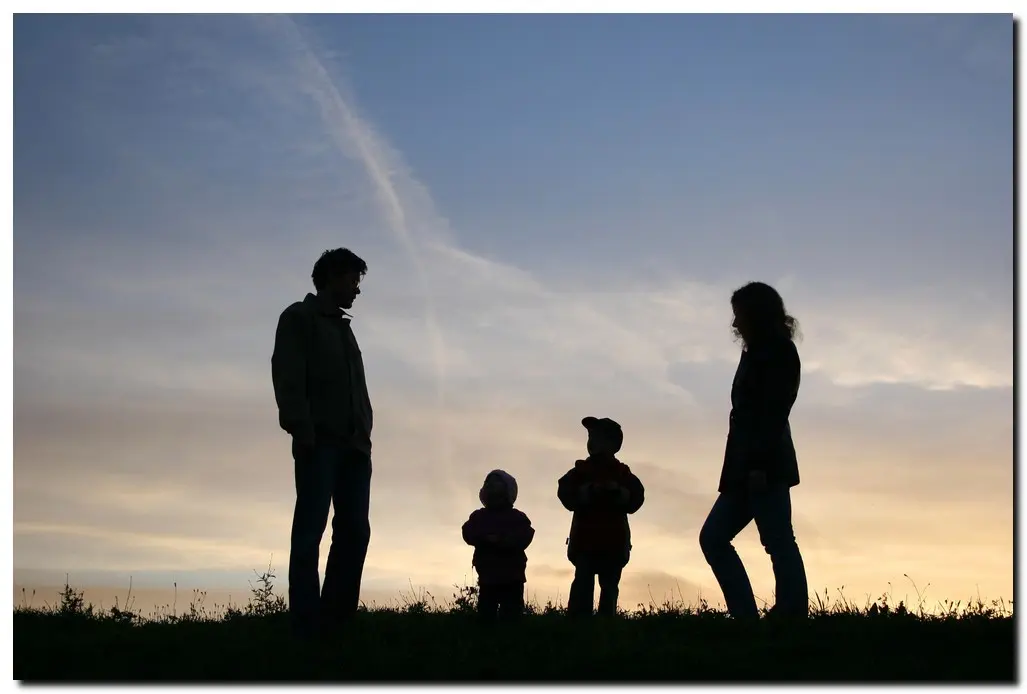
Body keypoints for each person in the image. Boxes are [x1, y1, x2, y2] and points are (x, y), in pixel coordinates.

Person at [271, 247, 374, 639]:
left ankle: (337, 617)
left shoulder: (344, 329)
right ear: (332, 277)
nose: (356, 290)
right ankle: (306, 622)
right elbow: (289, 376)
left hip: (354, 448)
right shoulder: (299, 318)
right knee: (310, 531)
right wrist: (302, 428)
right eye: (353, 280)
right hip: (320, 443)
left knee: (354, 531)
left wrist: (364, 433)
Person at [698, 281, 809, 621]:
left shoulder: (777, 352)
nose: (735, 324)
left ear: (756, 315)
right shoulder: (759, 351)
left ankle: (790, 615)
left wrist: (758, 466)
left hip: (763, 465)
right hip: (745, 465)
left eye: (739, 316)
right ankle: (747, 617)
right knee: (716, 538)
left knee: (776, 540)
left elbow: (773, 413)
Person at [558, 417, 645, 617]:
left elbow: (636, 498)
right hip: (585, 541)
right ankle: (579, 624)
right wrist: (588, 491)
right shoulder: (581, 471)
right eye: (590, 437)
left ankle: (606, 622)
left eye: (598, 437)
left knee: (609, 585)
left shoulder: (621, 472)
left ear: (614, 444)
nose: (592, 442)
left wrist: (617, 492)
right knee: (583, 582)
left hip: (613, 542)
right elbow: (565, 493)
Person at [461, 470, 535, 622]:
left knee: (511, 615)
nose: (492, 488)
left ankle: (509, 641)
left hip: (512, 576)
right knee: (486, 613)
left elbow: (525, 535)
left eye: (497, 485)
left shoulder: (517, 518)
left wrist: (502, 540)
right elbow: (468, 532)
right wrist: (485, 539)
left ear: (507, 492)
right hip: (488, 576)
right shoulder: (479, 516)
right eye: (489, 484)